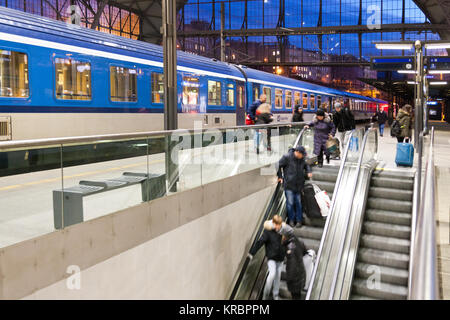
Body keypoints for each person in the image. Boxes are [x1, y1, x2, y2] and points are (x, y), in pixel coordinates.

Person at [248, 215, 293, 300]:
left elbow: (287, 241)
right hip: (271, 258)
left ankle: (275, 295)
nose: (277, 227)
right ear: (273, 223)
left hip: (280, 258)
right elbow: (260, 242)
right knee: (272, 274)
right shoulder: (268, 232)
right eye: (276, 225)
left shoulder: (283, 231)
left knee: (278, 277)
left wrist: (288, 251)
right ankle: (265, 296)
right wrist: (251, 253)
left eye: (279, 225)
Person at [276, 146, 313, 228]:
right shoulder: (287, 157)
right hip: (289, 185)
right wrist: (280, 177)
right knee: (290, 203)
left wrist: (309, 171)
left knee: (299, 204)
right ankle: (291, 220)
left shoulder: (302, 159)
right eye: (302, 155)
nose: (303, 156)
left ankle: (299, 220)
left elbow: (307, 165)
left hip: (299, 186)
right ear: (297, 152)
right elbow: (278, 165)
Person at [282, 234, 307, 300]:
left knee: (295, 296)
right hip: (300, 274)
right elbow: (304, 251)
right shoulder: (297, 241)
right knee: (298, 295)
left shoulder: (289, 249)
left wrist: (289, 279)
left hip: (295, 279)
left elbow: (292, 266)